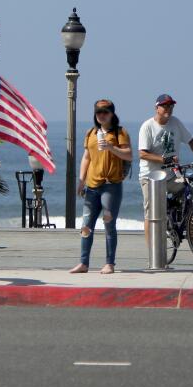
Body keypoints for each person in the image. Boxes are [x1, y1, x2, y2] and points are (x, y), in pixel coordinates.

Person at [70, 100, 132, 274]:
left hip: (111, 185)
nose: (101, 115)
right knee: (86, 225)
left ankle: (109, 263)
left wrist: (111, 147)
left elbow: (129, 155)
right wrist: (81, 180)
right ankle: (83, 263)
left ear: (112, 113)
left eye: (105, 112)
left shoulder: (120, 132)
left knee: (108, 223)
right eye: (98, 112)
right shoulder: (91, 133)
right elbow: (87, 157)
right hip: (92, 185)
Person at [138, 94, 193, 241]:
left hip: (170, 176)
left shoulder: (176, 123)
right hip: (150, 177)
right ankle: (152, 251)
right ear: (157, 108)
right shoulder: (147, 126)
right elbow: (142, 154)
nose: (168, 108)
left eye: (171, 105)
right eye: (165, 105)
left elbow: (191, 140)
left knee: (191, 193)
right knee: (151, 213)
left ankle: (191, 233)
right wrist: (163, 159)